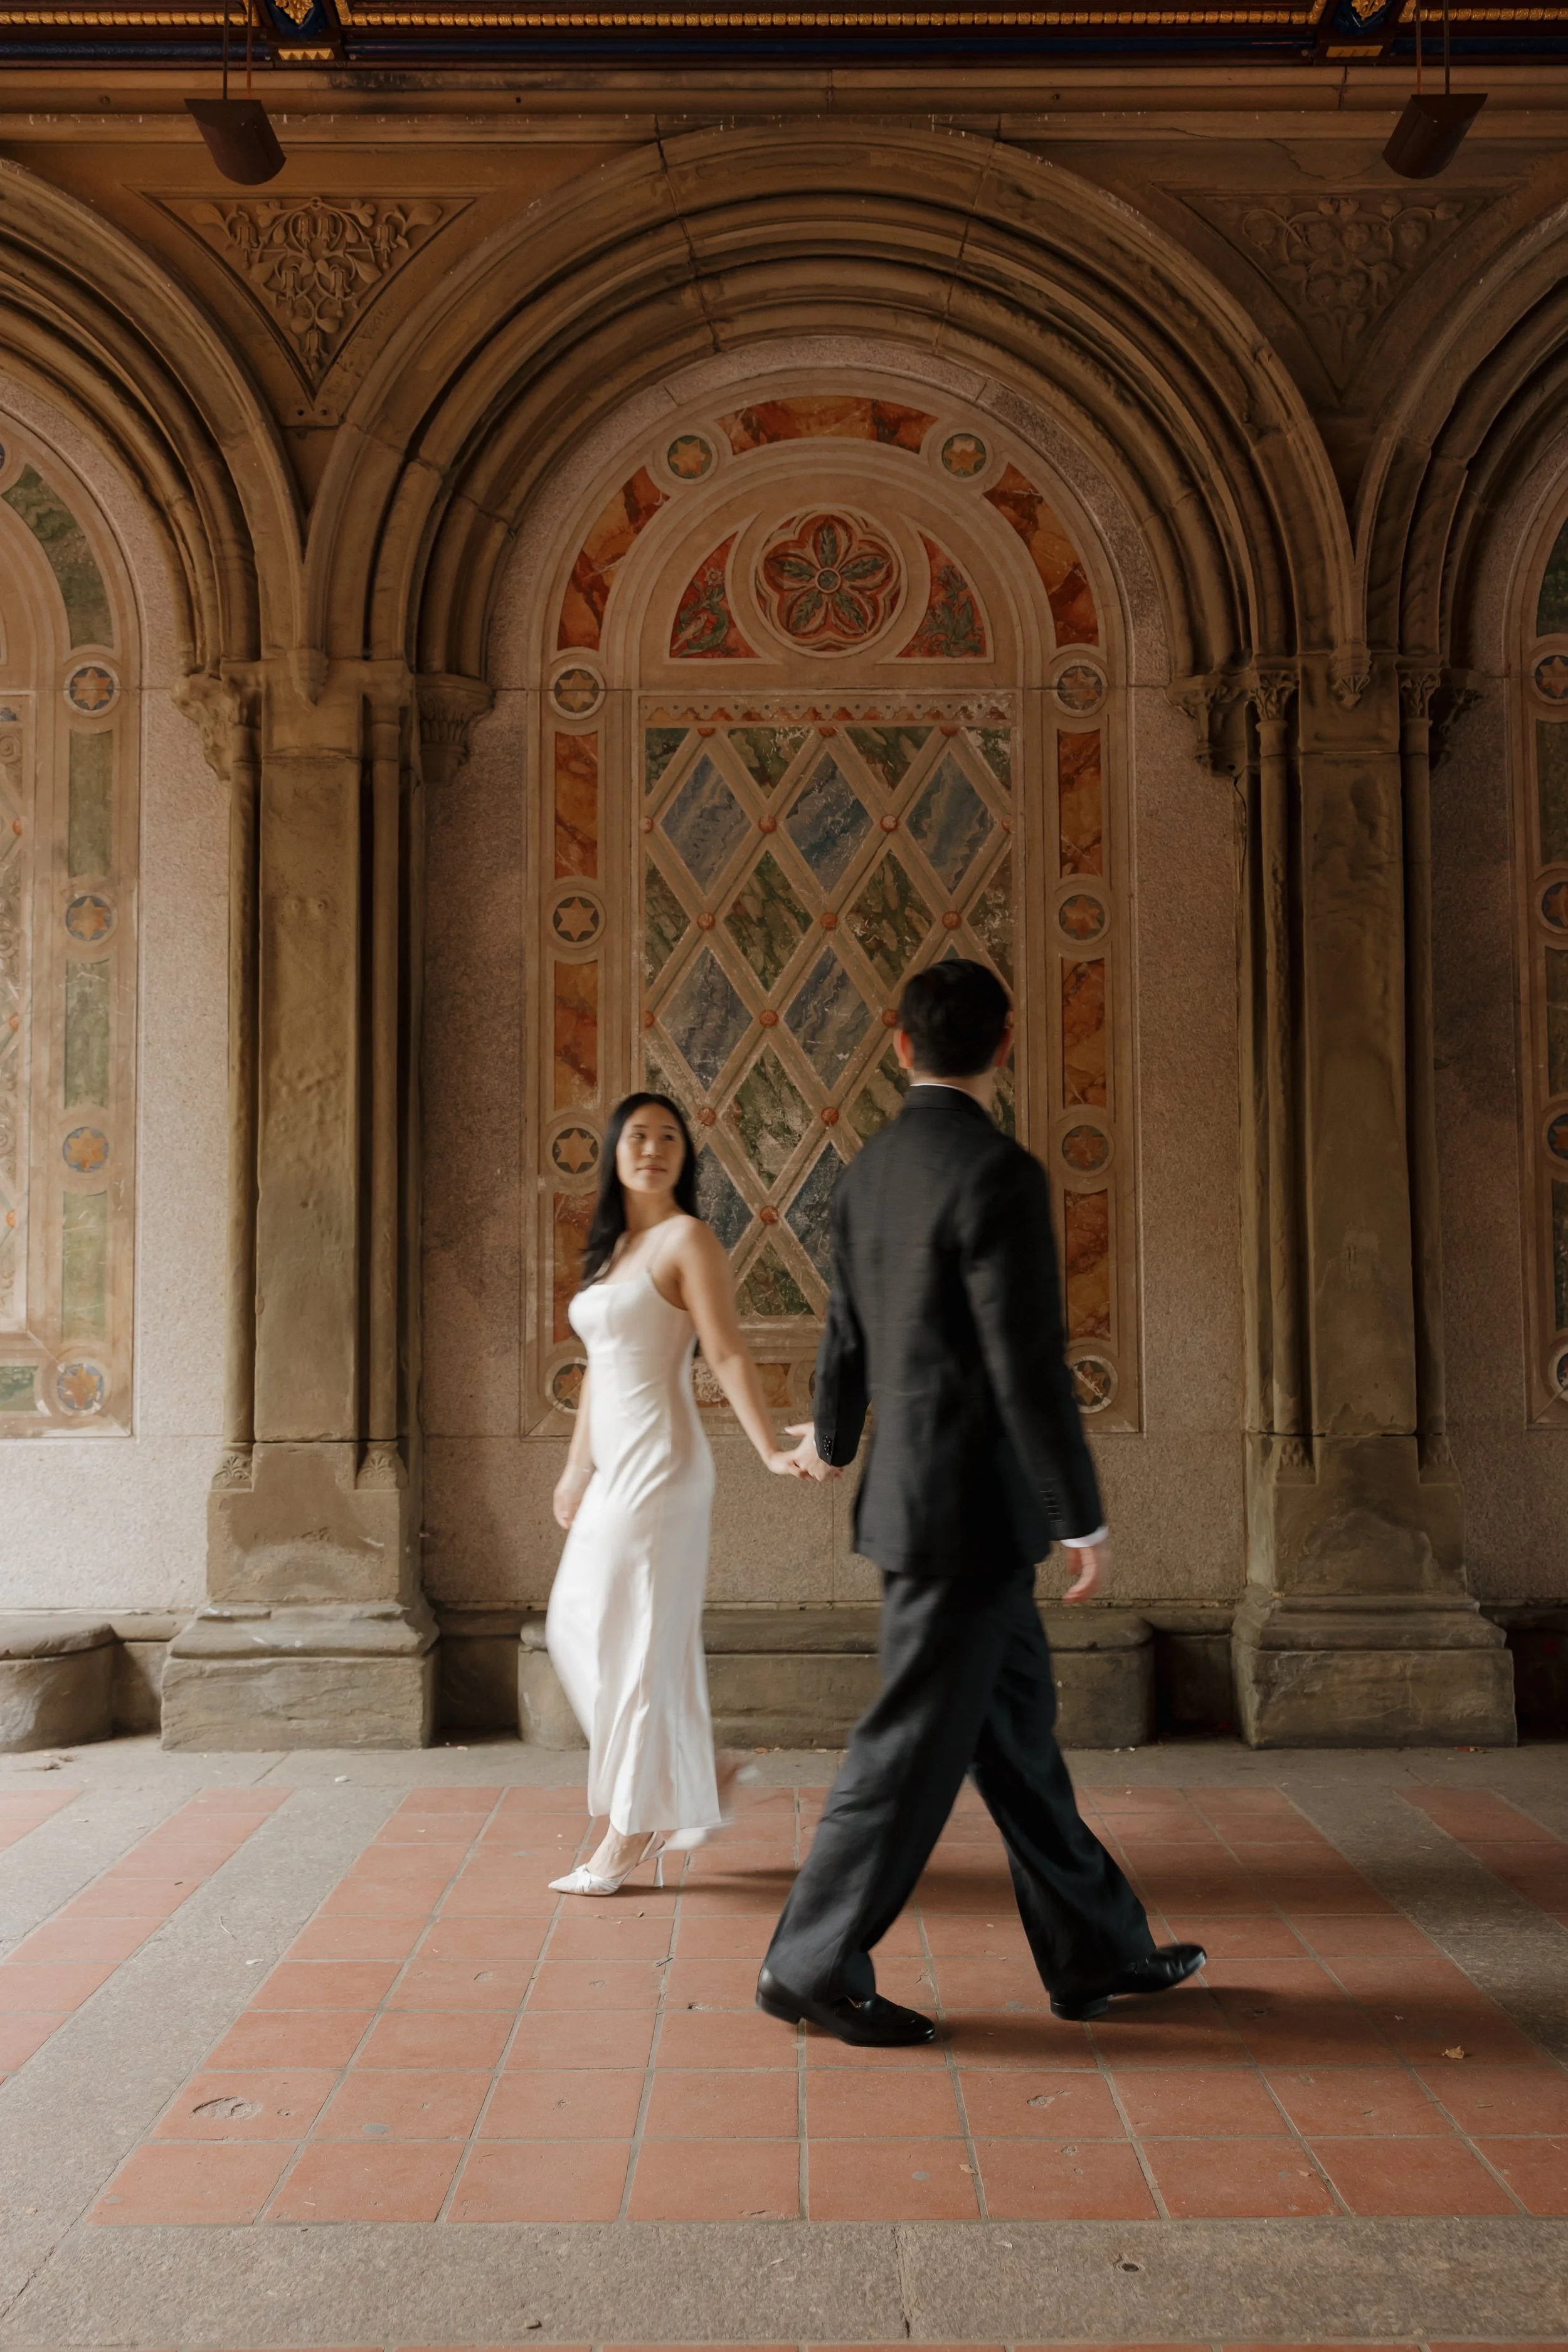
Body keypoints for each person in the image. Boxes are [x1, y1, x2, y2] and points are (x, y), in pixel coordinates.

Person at [757, 960, 1205, 2042]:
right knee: (902, 1751)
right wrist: (1080, 1514)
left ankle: (1099, 1950)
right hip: (969, 1522)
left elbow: (847, 1336)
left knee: (1018, 1745)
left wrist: (834, 1436)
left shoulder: (864, 1172)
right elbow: (1027, 1363)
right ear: (1004, 1044)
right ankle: (807, 1968)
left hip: (931, 1516)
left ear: (898, 1043)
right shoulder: (1000, 1172)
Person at [548, 1091, 807, 1896]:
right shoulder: (615, 1250)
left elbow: (725, 1352)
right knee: (575, 1627)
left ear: (684, 1155)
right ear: (614, 1155)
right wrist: (574, 1466)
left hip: (664, 1468)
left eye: (668, 1137)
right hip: (615, 1469)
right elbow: (597, 1371)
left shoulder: (687, 1239)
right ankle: (689, 1781)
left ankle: (629, 1833)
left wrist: (768, 1448)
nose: (653, 1148)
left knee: (641, 1646)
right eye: (637, 1136)